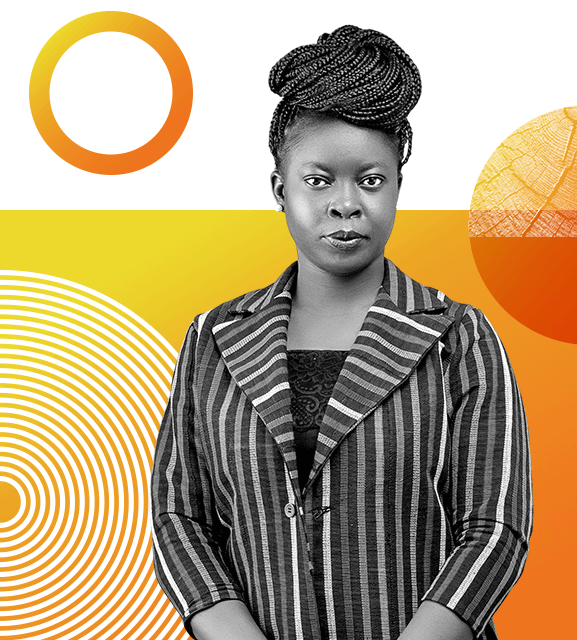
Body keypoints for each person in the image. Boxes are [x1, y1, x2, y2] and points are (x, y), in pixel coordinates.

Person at [150, 25, 532, 640]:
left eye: (371, 180)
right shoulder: (214, 336)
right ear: (281, 190)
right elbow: (179, 515)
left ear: (399, 189)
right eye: (319, 179)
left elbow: (495, 525)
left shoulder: (459, 337)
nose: (346, 203)